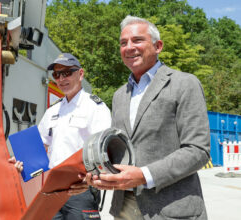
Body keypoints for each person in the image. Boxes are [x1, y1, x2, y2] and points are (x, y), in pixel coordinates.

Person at [86, 15, 211, 219]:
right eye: (123, 43)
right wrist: (99, 173)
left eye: (137, 40)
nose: (129, 47)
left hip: (170, 209)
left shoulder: (184, 84)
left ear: (158, 46)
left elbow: (198, 150)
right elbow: (119, 149)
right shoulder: (119, 95)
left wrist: (144, 176)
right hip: (124, 208)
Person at [9, 53, 112, 219]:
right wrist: (22, 160)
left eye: (67, 73)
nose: (61, 78)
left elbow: (104, 151)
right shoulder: (53, 111)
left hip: (80, 190)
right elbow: (42, 145)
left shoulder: (96, 107)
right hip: (51, 188)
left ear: (80, 74)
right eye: (56, 74)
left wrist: (90, 182)